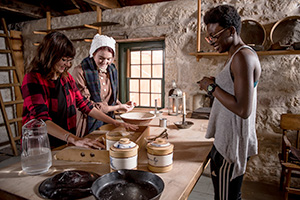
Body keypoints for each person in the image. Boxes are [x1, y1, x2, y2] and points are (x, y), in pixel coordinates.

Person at [21, 31, 138, 149]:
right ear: (50, 56)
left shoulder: (66, 78)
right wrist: (75, 139)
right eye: (64, 60)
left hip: (65, 139)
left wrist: (115, 122)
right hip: (41, 144)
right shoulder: (33, 79)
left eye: (69, 60)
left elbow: (85, 105)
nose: (67, 64)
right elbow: (42, 120)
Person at [198, 5, 261, 200]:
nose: (211, 42)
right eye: (209, 38)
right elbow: (235, 91)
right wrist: (216, 84)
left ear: (232, 31)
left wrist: (211, 88)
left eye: (214, 36)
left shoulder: (242, 56)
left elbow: (243, 109)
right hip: (227, 140)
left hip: (232, 144)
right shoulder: (236, 55)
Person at [72, 34, 134, 137]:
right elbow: (88, 106)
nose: (105, 62)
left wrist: (122, 105)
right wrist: (117, 107)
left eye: (109, 59)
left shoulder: (112, 69)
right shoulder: (80, 71)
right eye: (101, 58)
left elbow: (109, 97)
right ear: (93, 54)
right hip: (88, 121)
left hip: (109, 118)